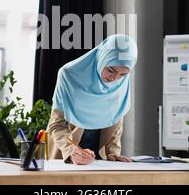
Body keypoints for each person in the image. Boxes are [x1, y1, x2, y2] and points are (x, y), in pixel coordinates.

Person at [47, 34, 137, 165]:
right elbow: (56, 124)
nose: (115, 78)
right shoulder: (69, 75)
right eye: (111, 70)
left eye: (123, 74)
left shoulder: (121, 83)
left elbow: (116, 117)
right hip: (67, 157)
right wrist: (72, 151)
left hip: (98, 161)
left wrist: (113, 153)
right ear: (103, 58)